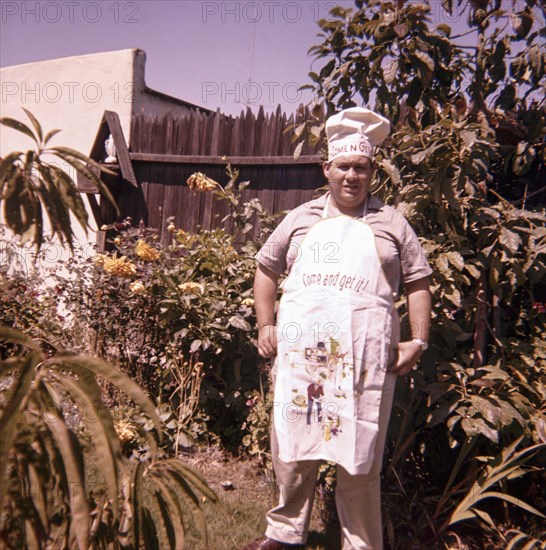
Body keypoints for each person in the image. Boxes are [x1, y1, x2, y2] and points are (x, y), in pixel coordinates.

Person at [243, 107, 432, 550]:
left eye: (361, 168)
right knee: (292, 446)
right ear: (326, 168)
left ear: (372, 172)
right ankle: (285, 534)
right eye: (343, 166)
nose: (352, 176)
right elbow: (266, 270)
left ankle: (361, 543)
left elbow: (420, 282)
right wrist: (265, 324)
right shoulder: (300, 218)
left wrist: (418, 340)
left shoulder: (391, 223)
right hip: (302, 357)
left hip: (366, 359)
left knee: (361, 454)